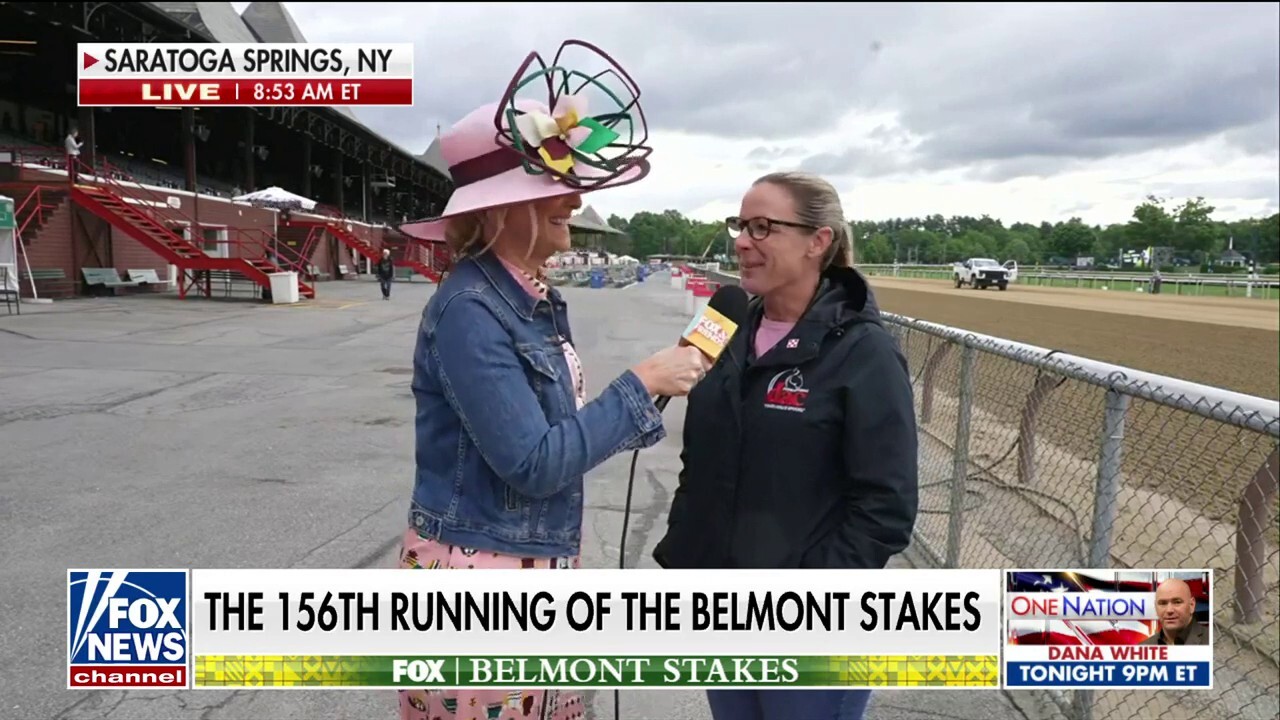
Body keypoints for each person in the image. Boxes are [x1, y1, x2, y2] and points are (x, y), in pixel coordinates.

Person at [395, 40, 708, 720]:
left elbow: (546, 434)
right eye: (550, 190)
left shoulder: (525, 295)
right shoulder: (470, 310)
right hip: (480, 575)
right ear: (497, 210)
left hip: (527, 564)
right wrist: (640, 382)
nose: (573, 199)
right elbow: (534, 463)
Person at [652, 171, 920, 720]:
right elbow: (699, 461)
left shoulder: (864, 352)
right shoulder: (725, 330)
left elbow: (885, 508)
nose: (742, 242)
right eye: (740, 226)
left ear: (817, 242)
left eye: (762, 227)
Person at [1141, 578, 1208, 645]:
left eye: (1177, 602)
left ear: (1192, 605)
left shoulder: (1212, 640)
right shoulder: (1143, 649)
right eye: (1163, 603)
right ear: (1155, 607)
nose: (1169, 610)